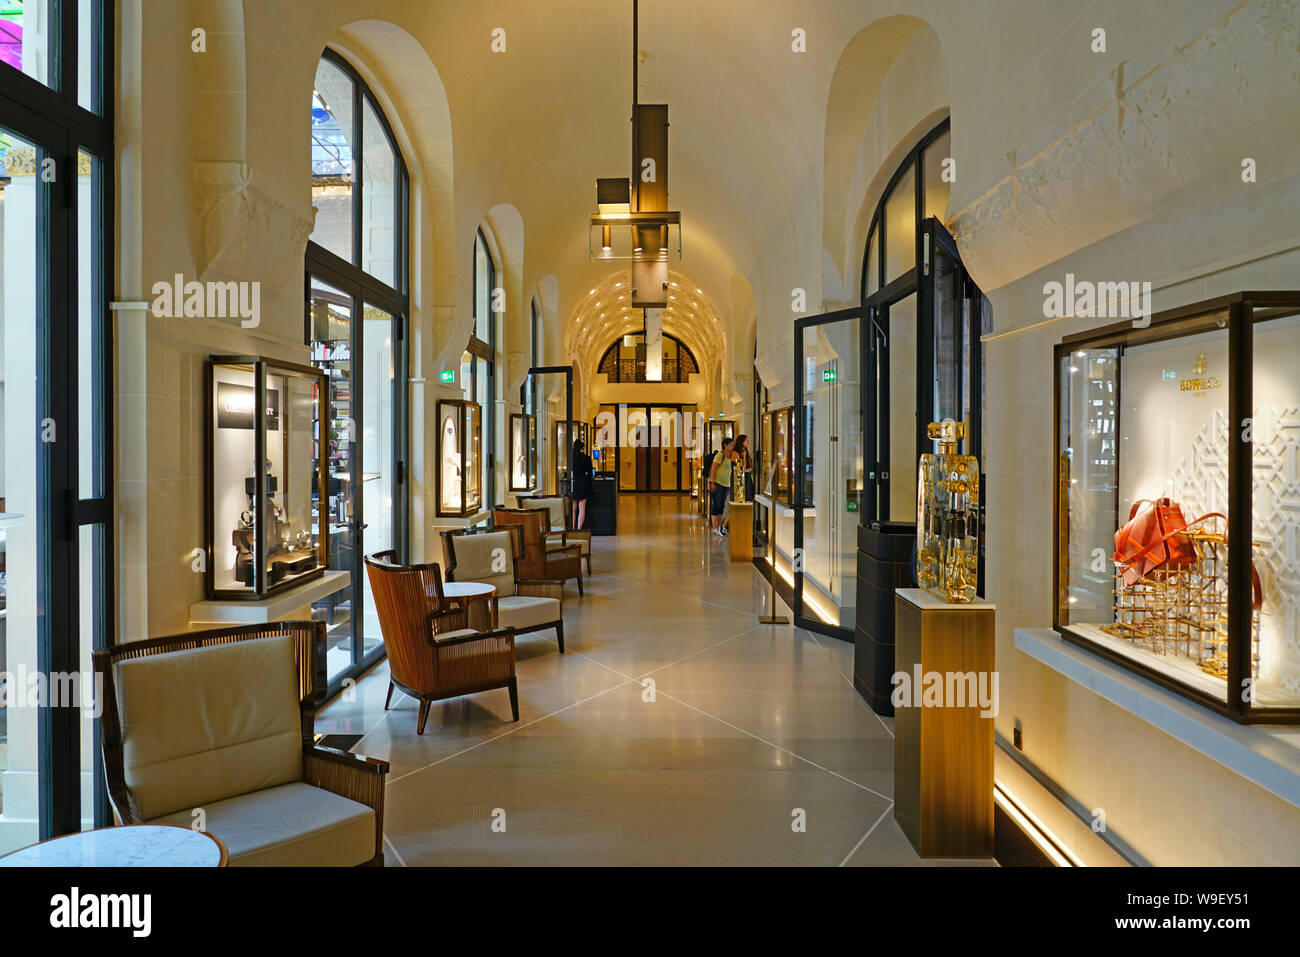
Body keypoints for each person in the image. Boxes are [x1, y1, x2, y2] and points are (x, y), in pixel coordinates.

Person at [707, 436, 734, 537]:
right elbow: (713, 469)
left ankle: (718, 527)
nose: (732, 446)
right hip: (717, 483)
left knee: (721, 506)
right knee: (716, 504)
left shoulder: (730, 456)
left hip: (726, 484)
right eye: (731, 445)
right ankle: (714, 528)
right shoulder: (720, 455)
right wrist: (712, 483)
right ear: (725, 446)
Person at [570, 438, 594, 531]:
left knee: (573, 508)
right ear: (582, 447)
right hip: (583, 483)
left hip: (574, 482)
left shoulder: (571, 458)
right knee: (582, 507)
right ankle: (579, 529)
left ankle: (572, 528)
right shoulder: (586, 458)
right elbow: (590, 472)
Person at [734, 434, 754, 502]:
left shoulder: (746, 452)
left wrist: (745, 470)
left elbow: (751, 467)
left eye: (748, 440)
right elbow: (742, 467)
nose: (748, 442)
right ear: (741, 441)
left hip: (747, 477)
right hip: (740, 479)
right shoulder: (735, 453)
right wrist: (744, 456)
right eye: (746, 440)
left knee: (749, 497)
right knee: (741, 497)